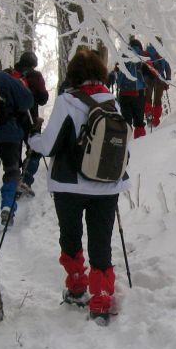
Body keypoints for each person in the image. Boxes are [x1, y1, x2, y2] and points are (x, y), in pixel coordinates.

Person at [28, 49, 131, 324]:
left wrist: (32, 139)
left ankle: (76, 288)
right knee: (101, 243)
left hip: (69, 185)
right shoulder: (112, 102)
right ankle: (101, 301)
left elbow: (49, 145)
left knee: (71, 237)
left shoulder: (67, 101)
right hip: (107, 186)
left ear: (73, 75)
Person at [0, 68, 34, 227]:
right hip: (9, 134)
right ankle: (8, 205)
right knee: (11, 171)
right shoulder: (5, 79)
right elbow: (27, 101)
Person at [12, 51, 49, 198]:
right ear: (34, 64)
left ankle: (13, 180)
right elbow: (43, 99)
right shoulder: (35, 76)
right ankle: (25, 179)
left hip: (12, 120)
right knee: (35, 151)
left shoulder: (12, 74)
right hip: (31, 120)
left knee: (14, 152)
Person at [115, 36, 147, 138]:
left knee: (126, 121)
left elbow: (118, 74)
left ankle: (126, 143)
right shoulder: (143, 57)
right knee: (139, 122)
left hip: (124, 93)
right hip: (139, 93)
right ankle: (141, 142)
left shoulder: (123, 56)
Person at [142, 38, 171, 128]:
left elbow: (141, 65)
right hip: (160, 79)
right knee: (157, 100)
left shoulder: (146, 52)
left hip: (148, 79)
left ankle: (149, 117)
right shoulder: (161, 53)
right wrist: (167, 79)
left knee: (147, 98)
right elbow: (167, 67)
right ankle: (156, 121)